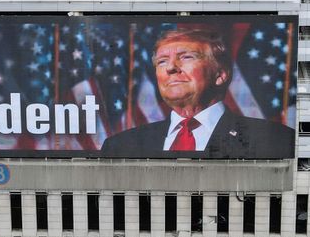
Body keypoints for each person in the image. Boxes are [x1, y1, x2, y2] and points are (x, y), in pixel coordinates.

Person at [101, 27, 294, 158]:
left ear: (220, 75)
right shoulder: (119, 146)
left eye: (186, 57)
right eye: (162, 61)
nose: (170, 68)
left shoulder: (275, 139)